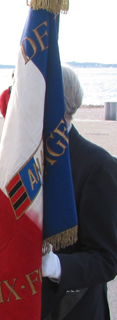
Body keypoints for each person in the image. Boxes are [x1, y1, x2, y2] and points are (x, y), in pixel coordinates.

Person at [41, 66, 117, 319]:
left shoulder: (97, 165)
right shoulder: (23, 161)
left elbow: (106, 259)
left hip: (72, 308)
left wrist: (54, 265)